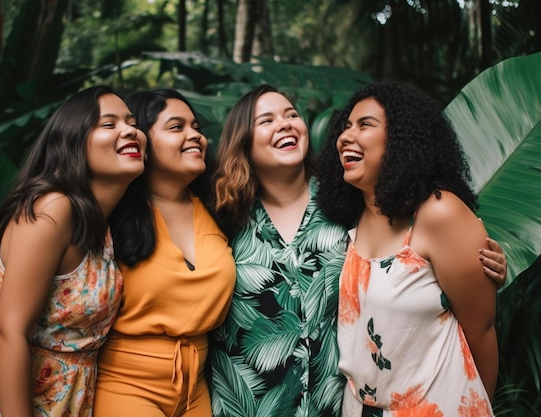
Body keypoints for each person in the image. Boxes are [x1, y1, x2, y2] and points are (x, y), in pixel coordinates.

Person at [208, 84, 506, 417]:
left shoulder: (342, 207)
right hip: (250, 406)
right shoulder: (221, 215)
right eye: (266, 120)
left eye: (292, 114)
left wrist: (480, 264)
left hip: (338, 406)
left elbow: (424, 268)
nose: (286, 123)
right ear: (242, 141)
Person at [0, 86, 146, 417]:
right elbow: (8, 329)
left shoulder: (102, 226)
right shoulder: (55, 208)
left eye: (131, 122)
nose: (130, 130)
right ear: (72, 141)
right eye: (109, 124)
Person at [316, 81, 498, 415]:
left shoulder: (438, 214)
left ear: (401, 140)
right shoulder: (351, 218)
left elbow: (481, 329)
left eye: (365, 125)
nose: (345, 136)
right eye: (345, 127)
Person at [92, 89, 236, 417]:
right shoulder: (114, 213)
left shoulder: (220, 209)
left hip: (195, 388)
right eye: (176, 127)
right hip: (124, 385)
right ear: (142, 139)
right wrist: (5, 280)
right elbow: (59, 262)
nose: (195, 135)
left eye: (196, 127)